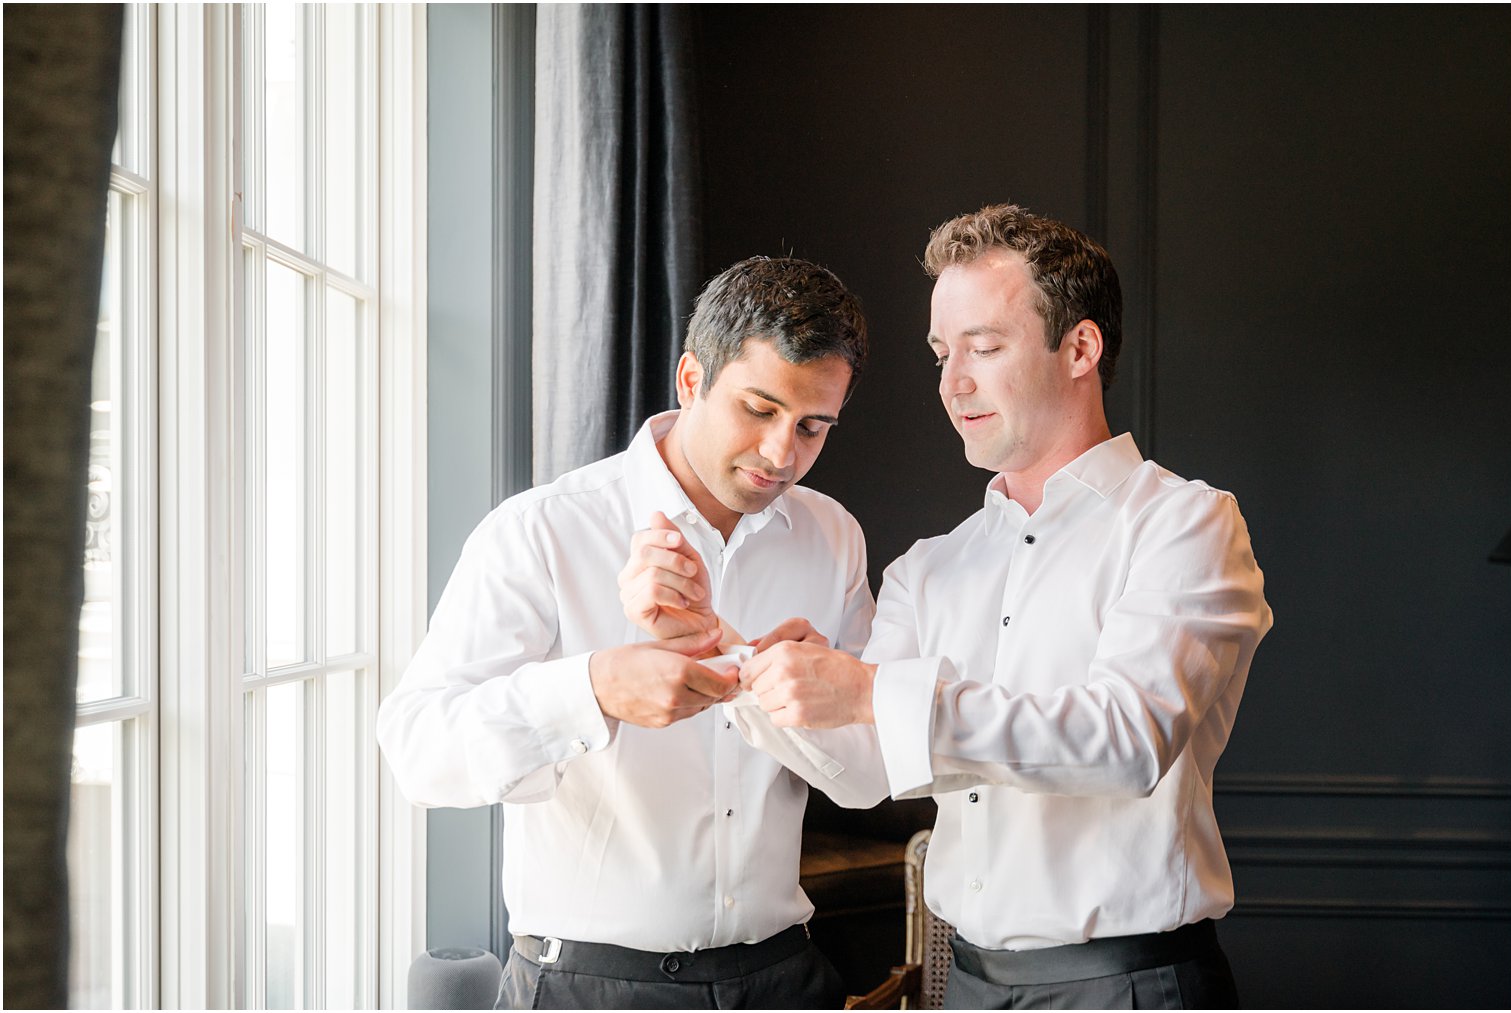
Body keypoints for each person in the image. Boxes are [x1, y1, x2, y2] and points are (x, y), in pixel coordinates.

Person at [734, 205, 1273, 1008]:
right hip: (969, 988)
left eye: (984, 347)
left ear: (1080, 347)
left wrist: (870, 690)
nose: (954, 381)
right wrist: (756, 675)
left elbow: (1127, 739)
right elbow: (866, 773)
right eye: (942, 352)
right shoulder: (930, 566)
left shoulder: (1185, 522)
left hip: (1131, 986)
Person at [376, 255, 886, 1010]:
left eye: (813, 426)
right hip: (588, 988)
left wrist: (745, 667)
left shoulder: (832, 536)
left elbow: (870, 775)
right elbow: (416, 750)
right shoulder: (543, 530)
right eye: (758, 408)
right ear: (691, 380)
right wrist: (595, 687)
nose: (783, 454)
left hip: (784, 978)